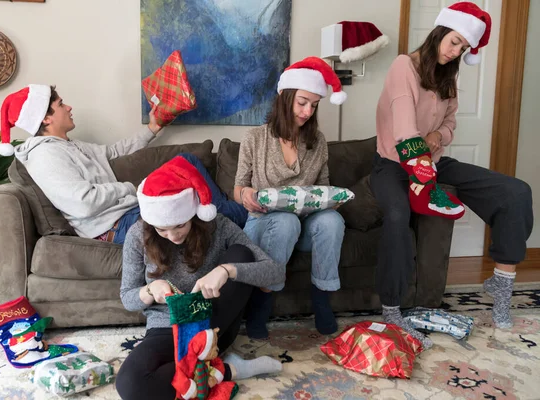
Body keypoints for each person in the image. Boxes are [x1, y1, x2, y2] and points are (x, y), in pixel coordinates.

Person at [372, 2, 533, 350]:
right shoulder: (405, 66)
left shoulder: (447, 78)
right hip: (393, 166)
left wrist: (437, 139)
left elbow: (449, 125)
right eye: (454, 41)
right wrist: (419, 166)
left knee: (515, 191)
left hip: (434, 162)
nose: (455, 50)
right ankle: (392, 310)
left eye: (463, 47)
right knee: (398, 216)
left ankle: (502, 284)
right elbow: (402, 124)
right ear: (440, 32)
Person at [116, 156, 284, 400]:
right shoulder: (137, 234)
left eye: (180, 226)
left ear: (194, 215)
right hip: (167, 327)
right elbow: (127, 297)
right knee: (131, 385)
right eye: (162, 230)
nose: (172, 236)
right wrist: (150, 290)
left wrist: (226, 270)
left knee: (242, 254)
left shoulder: (218, 225)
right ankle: (225, 370)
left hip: (213, 327)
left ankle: (205, 363)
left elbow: (276, 273)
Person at [0, 85, 246, 245]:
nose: (69, 107)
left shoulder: (68, 146)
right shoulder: (46, 156)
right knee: (188, 205)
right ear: (46, 117)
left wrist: (154, 128)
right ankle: (248, 212)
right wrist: (128, 188)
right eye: (61, 104)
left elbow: (113, 152)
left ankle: (234, 210)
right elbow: (83, 203)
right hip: (116, 225)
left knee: (186, 162)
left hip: (127, 212)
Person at [234, 57, 348, 339]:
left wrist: (333, 200)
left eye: (314, 105)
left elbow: (323, 186)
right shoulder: (255, 138)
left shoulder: (317, 141)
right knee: (286, 222)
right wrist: (246, 194)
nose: (308, 111)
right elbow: (237, 188)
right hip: (265, 223)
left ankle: (322, 301)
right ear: (286, 98)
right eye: (302, 102)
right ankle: (261, 304)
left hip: (305, 223)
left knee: (332, 220)